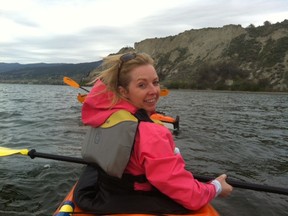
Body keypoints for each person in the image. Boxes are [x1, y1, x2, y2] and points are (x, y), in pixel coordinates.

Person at [73, 52, 233, 214]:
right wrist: (217, 187)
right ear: (123, 91)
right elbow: (191, 196)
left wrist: (167, 154)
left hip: (103, 192)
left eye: (155, 82)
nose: (153, 91)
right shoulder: (150, 133)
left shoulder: (104, 116)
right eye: (142, 85)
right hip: (132, 197)